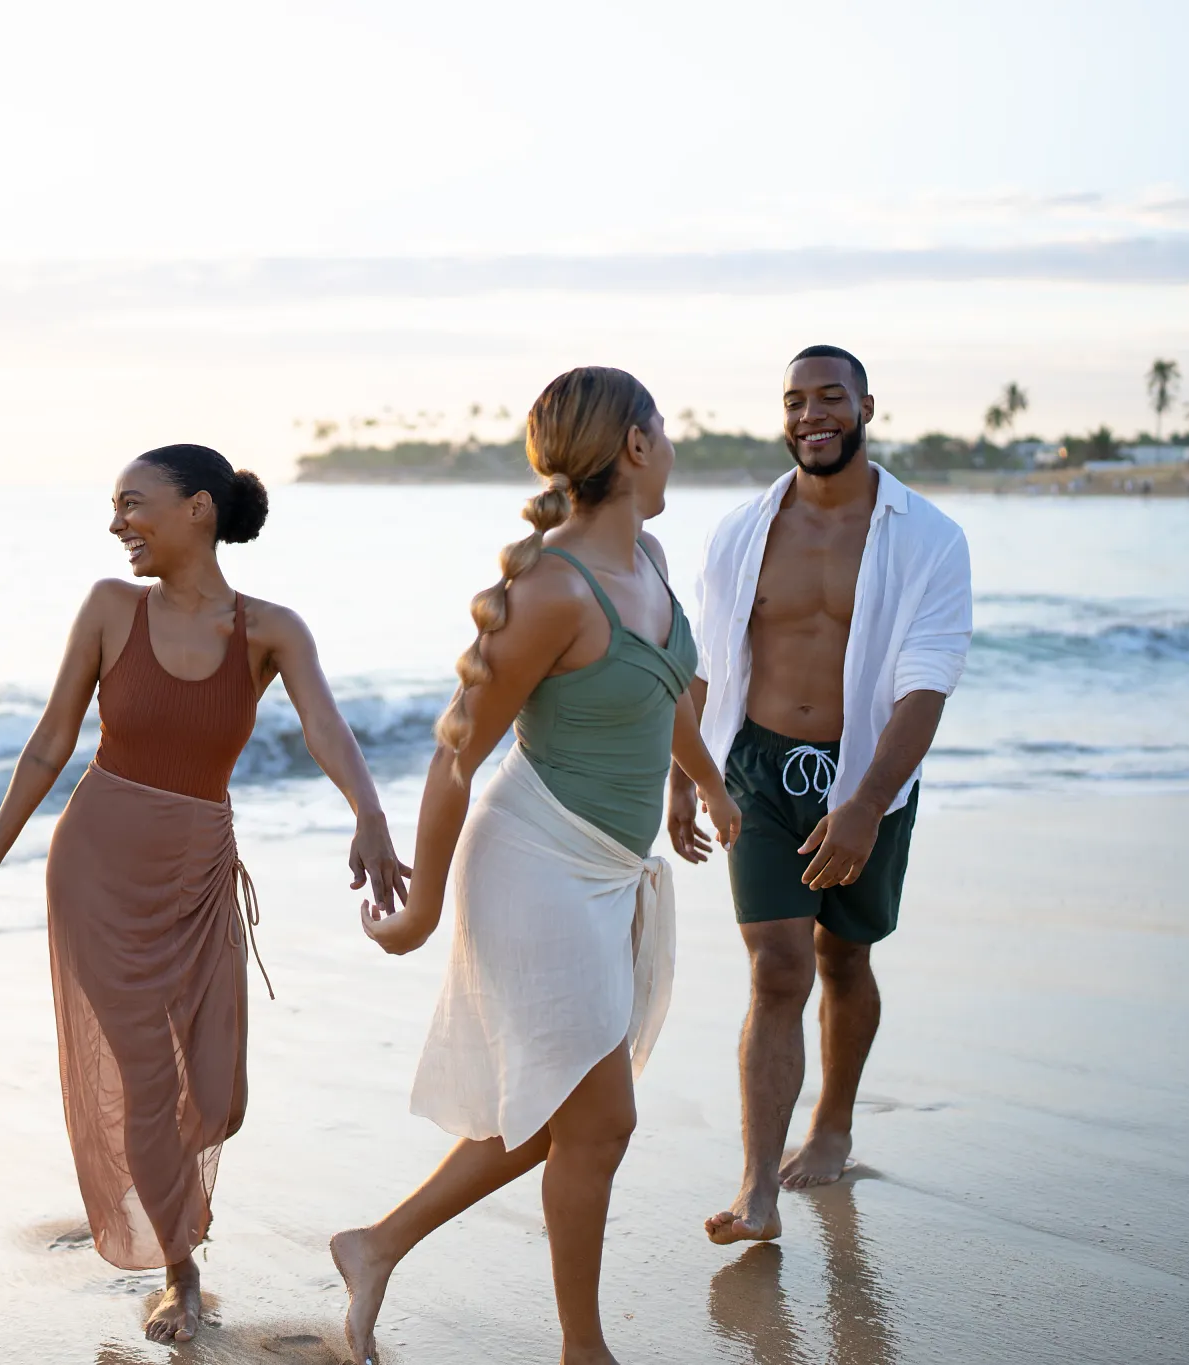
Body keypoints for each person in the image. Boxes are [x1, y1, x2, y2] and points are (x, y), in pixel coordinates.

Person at [0, 444, 410, 1346]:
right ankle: (180, 1272)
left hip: (195, 870)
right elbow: (48, 743)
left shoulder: (270, 629)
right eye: (115, 509)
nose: (118, 525)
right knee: (149, 1078)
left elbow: (327, 727)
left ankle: (171, 1193)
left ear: (197, 509)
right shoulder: (113, 610)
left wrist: (371, 813)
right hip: (98, 865)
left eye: (133, 504)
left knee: (219, 1088)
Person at [334, 367, 742, 1365]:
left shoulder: (644, 555)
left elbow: (663, 692)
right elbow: (452, 758)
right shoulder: (550, 590)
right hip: (531, 865)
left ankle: (373, 1245)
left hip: (608, 870)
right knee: (598, 1119)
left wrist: (704, 786)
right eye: (665, 428)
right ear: (636, 446)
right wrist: (423, 911)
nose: (672, 445)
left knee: (560, 1102)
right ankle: (581, 1350)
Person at [680, 345, 972, 1246]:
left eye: (831, 398)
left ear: (866, 407)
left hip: (864, 771)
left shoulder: (928, 536)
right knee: (777, 968)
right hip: (759, 770)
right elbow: (707, 664)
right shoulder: (740, 530)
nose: (813, 415)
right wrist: (685, 774)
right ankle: (758, 1189)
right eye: (796, 400)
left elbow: (926, 684)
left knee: (844, 958)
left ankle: (834, 1122)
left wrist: (865, 802)